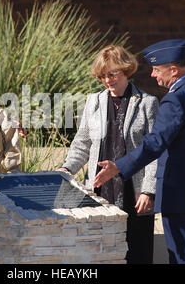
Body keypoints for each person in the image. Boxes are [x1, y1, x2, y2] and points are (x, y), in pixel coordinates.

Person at [94, 39, 185, 264]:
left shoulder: (175, 99)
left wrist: (119, 166)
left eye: (157, 69)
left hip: (180, 197)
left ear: (173, 70)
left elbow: (155, 142)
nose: (153, 75)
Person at [58, 45, 159, 264]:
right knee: (100, 252)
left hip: (135, 192)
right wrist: (66, 169)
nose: (107, 80)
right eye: (102, 76)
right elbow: (82, 144)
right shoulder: (93, 101)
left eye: (112, 74)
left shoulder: (147, 103)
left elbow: (154, 151)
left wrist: (148, 191)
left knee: (136, 252)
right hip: (99, 189)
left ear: (126, 70)